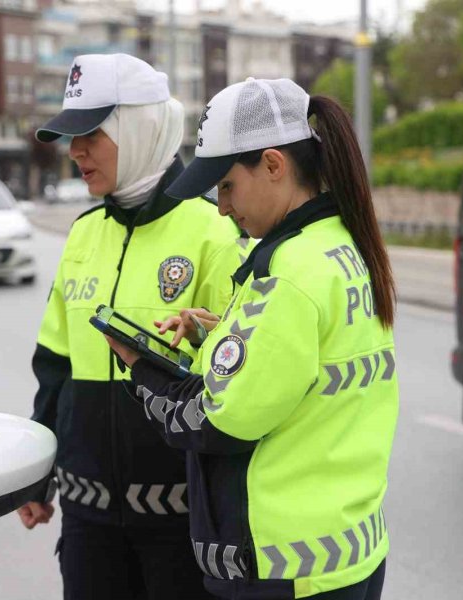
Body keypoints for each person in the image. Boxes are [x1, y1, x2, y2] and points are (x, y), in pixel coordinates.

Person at [105, 78, 399, 600]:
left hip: (285, 565)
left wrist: (141, 369)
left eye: (226, 186)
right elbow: (303, 366)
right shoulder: (339, 247)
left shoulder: (287, 275)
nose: (221, 208)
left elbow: (219, 421)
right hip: (347, 552)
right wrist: (218, 333)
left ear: (272, 165)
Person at [21, 53, 249, 600]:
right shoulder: (82, 234)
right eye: (71, 136)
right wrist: (37, 472)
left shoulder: (213, 232)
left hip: (184, 524)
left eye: (91, 135)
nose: (75, 151)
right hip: (86, 522)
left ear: (140, 128)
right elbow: (55, 367)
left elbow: (236, 376)